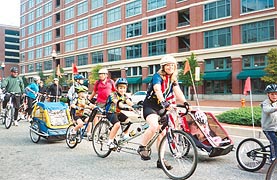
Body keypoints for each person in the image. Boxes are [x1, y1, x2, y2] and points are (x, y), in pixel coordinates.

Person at [137, 55, 189, 170]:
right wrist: (164, 102)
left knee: (162, 134)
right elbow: (157, 89)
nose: (170, 67)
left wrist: (185, 103)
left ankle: (161, 159)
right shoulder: (158, 76)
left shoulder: (173, 79)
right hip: (150, 106)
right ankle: (142, 147)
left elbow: (178, 91)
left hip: (162, 108)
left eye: (172, 65)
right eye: (167, 65)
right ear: (163, 66)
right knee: (154, 126)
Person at [105, 78, 137, 149]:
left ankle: (124, 135)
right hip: (110, 112)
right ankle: (110, 142)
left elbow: (128, 101)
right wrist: (125, 107)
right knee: (117, 124)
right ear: (116, 88)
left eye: (124, 88)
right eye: (120, 88)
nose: (122, 90)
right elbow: (118, 102)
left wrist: (134, 106)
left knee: (128, 121)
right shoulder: (113, 95)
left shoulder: (124, 96)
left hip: (118, 112)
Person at [261, 84, 277, 162]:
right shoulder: (266, 103)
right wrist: (275, 108)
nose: (274, 96)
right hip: (268, 128)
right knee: (274, 142)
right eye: (272, 94)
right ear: (268, 95)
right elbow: (267, 110)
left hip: (275, 127)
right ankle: (273, 159)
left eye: (276, 94)